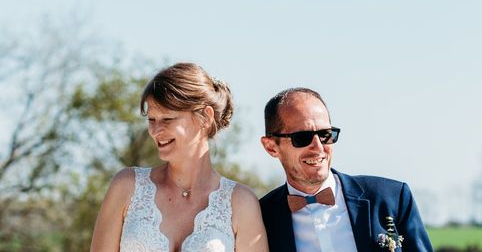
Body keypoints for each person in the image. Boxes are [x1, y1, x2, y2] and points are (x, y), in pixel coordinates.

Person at [90, 62, 268, 252]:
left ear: (205, 118)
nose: (156, 130)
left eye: (167, 119)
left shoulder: (241, 202)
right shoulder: (126, 186)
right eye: (151, 119)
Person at [259, 87, 433, 251]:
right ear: (271, 147)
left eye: (325, 134)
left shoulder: (391, 198)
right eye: (302, 137)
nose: (318, 147)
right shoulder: (260, 218)